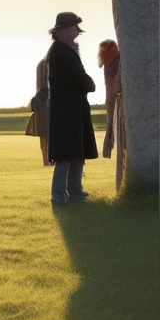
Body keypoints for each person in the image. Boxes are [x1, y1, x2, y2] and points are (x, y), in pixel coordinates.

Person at [47, 11, 97, 204]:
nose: (77, 31)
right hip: (66, 111)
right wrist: (88, 83)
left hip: (73, 109)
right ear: (61, 30)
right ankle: (58, 196)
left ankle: (75, 192)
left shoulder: (65, 50)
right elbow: (80, 80)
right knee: (66, 155)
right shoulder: (60, 51)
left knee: (77, 153)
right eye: (73, 27)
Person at [99, 39, 125, 191]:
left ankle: (109, 143)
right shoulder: (112, 63)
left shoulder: (106, 62)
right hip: (115, 98)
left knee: (111, 122)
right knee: (111, 122)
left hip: (112, 98)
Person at [25, 53, 51, 165]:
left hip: (41, 105)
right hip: (47, 106)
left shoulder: (41, 64)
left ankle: (47, 162)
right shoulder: (46, 65)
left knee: (44, 137)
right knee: (46, 137)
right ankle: (48, 162)